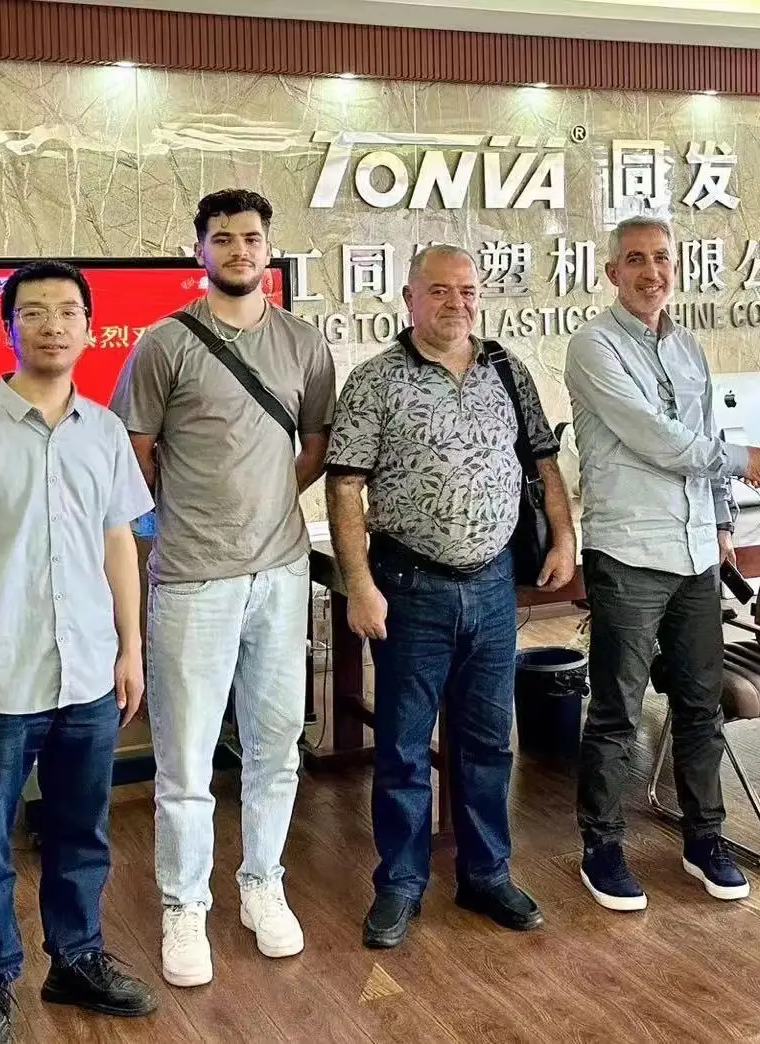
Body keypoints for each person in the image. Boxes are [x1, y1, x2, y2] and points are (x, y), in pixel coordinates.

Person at [0, 260, 158, 1044]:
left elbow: (119, 545)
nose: (53, 325)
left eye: (68, 311)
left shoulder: (107, 432)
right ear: (8, 326)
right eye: (35, 311)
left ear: (90, 327)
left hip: (88, 673)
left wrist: (131, 648)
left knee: (82, 833)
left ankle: (75, 960)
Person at [110, 189, 337, 985]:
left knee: (277, 747)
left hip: (281, 573)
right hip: (192, 581)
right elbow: (135, 453)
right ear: (198, 250)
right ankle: (184, 907)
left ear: (269, 249)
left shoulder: (304, 344)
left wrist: (267, 502)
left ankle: (262, 885)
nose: (239, 250)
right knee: (186, 759)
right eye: (223, 238)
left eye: (251, 238)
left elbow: (314, 447)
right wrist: (186, 515)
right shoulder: (164, 344)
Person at [325, 244, 577, 949]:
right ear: (409, 298)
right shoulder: (376, 380)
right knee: (405, 747)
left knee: (488, 742)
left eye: (467, 291)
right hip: (409, 587)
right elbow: (344, 487)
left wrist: (564, 537)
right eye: (439, 290)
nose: (457, 303)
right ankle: (401, 884)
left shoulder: (507, 370)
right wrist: (358, 585)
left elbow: (544, 462)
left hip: (493, 587)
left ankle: (486, 874)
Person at [564, 216, 760, 912]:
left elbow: (703, 434)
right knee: (618, 711)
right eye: (635, 260)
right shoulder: (593, 346)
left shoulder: (687, 346)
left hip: (694, 555)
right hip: (628, 550)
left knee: (699, 707)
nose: (650, 272)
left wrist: (721, 523)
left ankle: (705, 838)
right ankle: (602, 847)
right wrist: (746, 461)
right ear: (612, 273)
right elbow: (655, 438)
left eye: (661, 258)